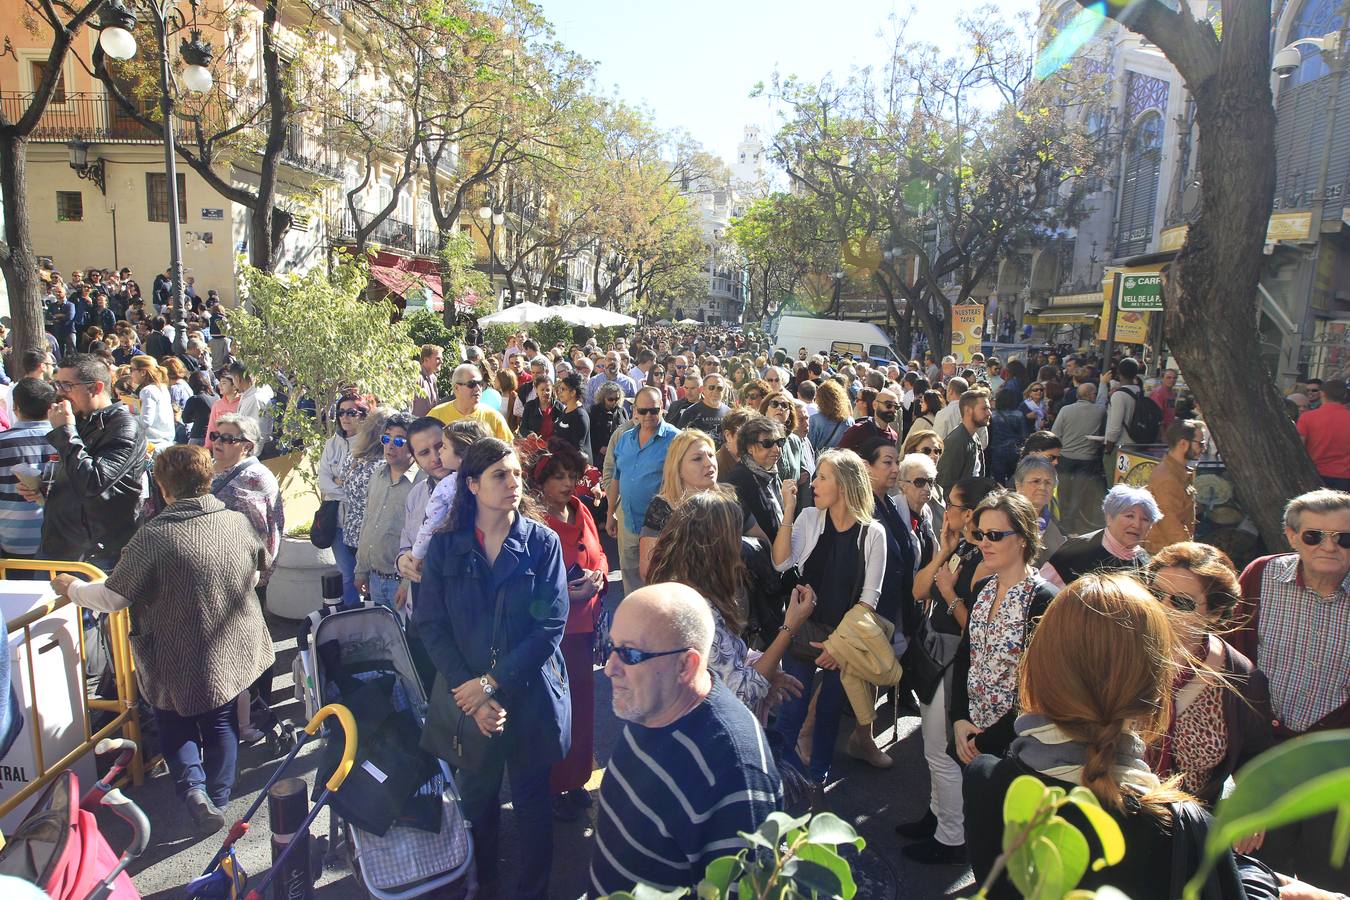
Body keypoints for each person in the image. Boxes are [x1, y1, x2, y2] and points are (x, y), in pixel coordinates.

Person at [966, 573, 1273, 899]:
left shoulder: (983, 781)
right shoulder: (1185, 829)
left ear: (1038, 664)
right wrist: (1260, 878)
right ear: (1157, 687)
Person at [52, 446, 273, 833]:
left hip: (172, 650)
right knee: (221, 721)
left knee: (174, 722)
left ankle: (194, 790)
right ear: (207, 479)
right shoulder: (237, 522)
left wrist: (72, 589)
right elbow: (256, 572)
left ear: (163, 488)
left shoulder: (153, 537)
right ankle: (218, 796)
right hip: (230, 643)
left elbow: (113, 597)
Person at [415, 438, 569, 900]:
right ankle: (483, 886)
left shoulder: (542, 543)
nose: (513, 483)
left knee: (532, 804)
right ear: (472, 484)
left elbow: (549, 625)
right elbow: (431, 624)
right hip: (468, 699)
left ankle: (533, 892)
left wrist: (491, 684)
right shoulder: (445, 546)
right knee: (478, 802)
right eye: (500, 475)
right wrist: (471, 691)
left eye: (517, 473)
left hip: (529, 695)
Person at [589, 582, 783, 897]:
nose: (609, 668)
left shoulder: (734, 773)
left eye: (630, 654)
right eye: (611, 646)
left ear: (685, 665)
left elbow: (743, 890)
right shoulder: (653, 703)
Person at [1234, 489, 1350, 888]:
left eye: (1344, 538)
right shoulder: (1261, 576)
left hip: (1335, 762)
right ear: (1291, 536)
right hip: (1265, 754)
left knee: (1330, 880)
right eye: (1314, 536)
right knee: (1262, 876)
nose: (1329, 547)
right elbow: (1234, 665)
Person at [770, 449, 887, 793]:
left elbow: (869, 599)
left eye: (823, 478)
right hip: (802, 631)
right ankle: (778, 782)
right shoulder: (809, 517)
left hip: (844, 642)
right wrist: (788, 510)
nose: (814, 484)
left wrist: (837, 648)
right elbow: (780, 562)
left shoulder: (873, 533)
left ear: (845, 485)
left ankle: (817, 780)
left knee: (829, 712)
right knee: (791, 710)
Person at [898, 475, 1000, 861]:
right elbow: (918, 590)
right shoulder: (962, 548)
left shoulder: (987, 562)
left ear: (970, 513)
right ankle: (937, 816)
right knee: (933, 749)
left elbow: (978, 628)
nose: (945, 509)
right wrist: (943, 551)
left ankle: (951, 838)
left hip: (954, 664)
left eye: (952, 505)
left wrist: (949, 593)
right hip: (935, 658)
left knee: (942, 753)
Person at [647, 491, 811, 720]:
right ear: (715, 545)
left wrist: (761, 664)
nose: (741, 543)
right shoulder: (697, 609)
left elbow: (722, 659)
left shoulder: (685, 584)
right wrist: (789, 628)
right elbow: (742, 694)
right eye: (735, 535)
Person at [1144, 542, 1274, 808]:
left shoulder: (1241, 677)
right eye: (1155, 594)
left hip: (1181, 822)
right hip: (1105, 812)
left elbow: (1255, 764)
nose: (1162, 607)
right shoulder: (1116, 649)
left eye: (1181, 602)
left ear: (1215, 614)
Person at [950, 490, 1056, 782]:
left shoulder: (1044, 599)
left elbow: (1036, 689)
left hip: (1015, 747)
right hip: (970, 732)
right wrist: (958, 719)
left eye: (994, 535)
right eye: (980, 534)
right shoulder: (982, 588)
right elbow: (965, 655)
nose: (984, 543)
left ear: (1022, 538)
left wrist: (985, 742)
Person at [530, 438, 606, 822]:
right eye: (557, 477)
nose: (567, 483)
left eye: (572, 476)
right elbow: (532, 584)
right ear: (541, 482)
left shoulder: (581, 509)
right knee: (555, 712)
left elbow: (600, 554)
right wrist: (566, 594)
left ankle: (576, 780)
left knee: (583, 710)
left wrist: (600, 576)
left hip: (585, 628)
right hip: (555, 633)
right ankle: (553, 785)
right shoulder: (535, 523)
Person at [19, 354, 146, 568]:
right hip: (58, 543)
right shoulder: (81, 419)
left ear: (96, 387)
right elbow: (75, 475)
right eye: (57, 384)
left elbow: (93, 483)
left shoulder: (124, 426)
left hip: (93, 555)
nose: (59, 392)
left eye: (67, 385)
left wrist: (65, 432)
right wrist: (43, 489)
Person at [608, 386, 679, 595]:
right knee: (630, 576)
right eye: (643, 411)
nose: (648, 415)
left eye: (654, 410)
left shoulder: (676, 440)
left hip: (660, 528)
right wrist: (610, 513)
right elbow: (616, 477)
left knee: (658, 581)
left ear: (662, 408)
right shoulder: (625, 438)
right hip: (628, 522)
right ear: (635, 411)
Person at [352, 412, 421, 610]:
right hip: (374, 580)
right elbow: (367, 523)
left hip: (402, 584)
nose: (390, 446)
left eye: (399, 441)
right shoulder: (377, 475)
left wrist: (407, 584)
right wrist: (361, 571)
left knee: (403, 631)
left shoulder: (422, 483)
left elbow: (423, 539)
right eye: (386, 438)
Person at [1040, 484, 1158, 589]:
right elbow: (1041, 593)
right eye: (1129, 516)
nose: (1137, 525)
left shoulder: (1145, 563)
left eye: (1145, 519)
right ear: (1109, 518)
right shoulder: (1077, 550)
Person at [638, 428, 719, 580]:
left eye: (711, 455)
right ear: (678, 467)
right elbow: (648, 570)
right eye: (697, 458)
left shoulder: (727, 501)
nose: (709, 463)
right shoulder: (662, 508)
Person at [317, 393, 368, 605]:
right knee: (347, 576)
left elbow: (367, 487)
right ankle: (351, 618)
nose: (344, 417)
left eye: (351, 412)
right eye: (340, 412)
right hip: (338, 522)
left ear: (363, 415)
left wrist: (340, 483)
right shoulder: (331, 444)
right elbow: (323, 481)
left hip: (365, 524)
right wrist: (348, 490)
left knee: (368, 577)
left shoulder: (370, 445)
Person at [336, 407, 395, 592]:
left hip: (352, 533)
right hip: (373, 538)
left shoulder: (353, 457)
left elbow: (341, 481)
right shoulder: (383, 467)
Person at [0, 379, 57, 560]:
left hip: (12, 542)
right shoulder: (69, 440)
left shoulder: (3, 443)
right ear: (51, 406)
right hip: (62, 542)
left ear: (15, 407)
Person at [1143, 418, 1206, 554]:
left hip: (1172, 551)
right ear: (1183, 444)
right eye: (1200, 444)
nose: (1203, 448)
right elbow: (1171, 526)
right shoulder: (1167, 478)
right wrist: (1193, 554)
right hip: (1166, 554)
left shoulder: (1177, 471)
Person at [1053, 381, 1107, 534]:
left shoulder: (1065, 410)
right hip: (1087, 458)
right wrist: (1103, 383)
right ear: (1091, 395)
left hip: (1065, 456)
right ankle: (1069, 523)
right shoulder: (1100, 411)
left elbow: (1055, 433)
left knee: (1063, 490)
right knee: (1078, 492)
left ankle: (1060, 521)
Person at [725, 415, 787, 538]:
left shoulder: (770, 472)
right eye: (768, 443)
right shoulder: (738, 480)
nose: (776, 449)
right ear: (749, 448)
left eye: (780, 442)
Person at [428, 363, 513, 442]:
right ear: (457, 388)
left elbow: (508, 449)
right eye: (472, 384)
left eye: (480, 383)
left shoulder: (494, 417)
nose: (478, 388)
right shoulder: (436, 416)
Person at [1295, 377, 1350, 490]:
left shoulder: (1307, 418)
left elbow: (1299, 448)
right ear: (1345, 395)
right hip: (1345, 477)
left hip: (1314, 474)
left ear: (1322, 394)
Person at [936, 388, 992, 494]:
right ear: (968, 410)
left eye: (989, 408)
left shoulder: (975, 437)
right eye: (984, 409)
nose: (989, 413)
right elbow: (944, 486)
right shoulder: (956, 441)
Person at [1012, 454, 1064, 566]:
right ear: (1018, 486)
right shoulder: (1006, 519)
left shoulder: (1054, 524)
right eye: (1036, 481)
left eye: (1048, 482)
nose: (1042, 487)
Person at [760, 388, 810, 486]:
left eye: (784, 405)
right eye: (774, 404)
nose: (780, 408)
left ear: (789, 413)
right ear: (765, 410)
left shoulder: (795, 441)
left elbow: (804, 477)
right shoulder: (757, 439)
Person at [130, 355, 176, 450]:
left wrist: (127, 416)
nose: (130, 374)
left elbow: (145, 422)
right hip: (166, 442)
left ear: (143, 372)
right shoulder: (161, 387)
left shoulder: (147, 391)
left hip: (153, 445)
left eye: (132, 369)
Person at [986, 388, 1029, 485]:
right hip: (1015, 450)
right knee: (1016, 479)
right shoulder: (1019, 415)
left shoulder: (993, 416)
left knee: (999, 481)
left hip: (997, 450)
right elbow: (1024, 435)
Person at [839, 386, 900, 452]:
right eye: (888, 405)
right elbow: (839, 454)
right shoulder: (857, 430)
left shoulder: (893, 436)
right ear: (875, 405)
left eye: (896, 407)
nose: (893, 409)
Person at [551, 372, 591, 462]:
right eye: (559, 389)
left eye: (563, 389)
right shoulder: (566, 410)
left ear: (573, 392)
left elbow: (577, 449)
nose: (559, 392)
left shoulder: (580, 416)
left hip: (574, 465)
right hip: (561, 461)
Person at [677, 371, 730, 440]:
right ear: (703, 389)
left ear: (724, 391)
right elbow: (680, 440)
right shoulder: (690, 412)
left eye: (719, 388)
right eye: (711, 387)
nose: (715, 391)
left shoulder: (729, 413)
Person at [807, 379, 852, 452]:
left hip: (822, 458)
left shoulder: (814, 420)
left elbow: (809, 446)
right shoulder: (849, 420)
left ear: (820, 399)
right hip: (842, 457)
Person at [588, 382, 626, 466]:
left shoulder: (621, 411)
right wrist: (598, 447)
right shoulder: (593, 411)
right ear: (603, 398)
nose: (614, 402)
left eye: (617, 399)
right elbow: (587, 434)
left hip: (618, 455)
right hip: (599, 457)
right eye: (610, 399)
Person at [203, 372, 241, 452]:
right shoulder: (217, 404)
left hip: (237, 444)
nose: (219, 386)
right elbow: (212, 426)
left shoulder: (242, 402)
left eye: (224, 383)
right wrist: (208, 447)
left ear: (234, 386)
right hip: (221, 444)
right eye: (219, 383)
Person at [181, 371, 217, 445]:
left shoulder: (194, 399)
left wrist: (196, 417)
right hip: (214, 434)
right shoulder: (216, 397)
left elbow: (185, 419)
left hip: (198, 435)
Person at [411, 344, 443, 417]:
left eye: (441, 359)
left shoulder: (433, 378)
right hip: (416, 423)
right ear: (426, 360)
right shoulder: (417, 377)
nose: (441, 361)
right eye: (438, 358)